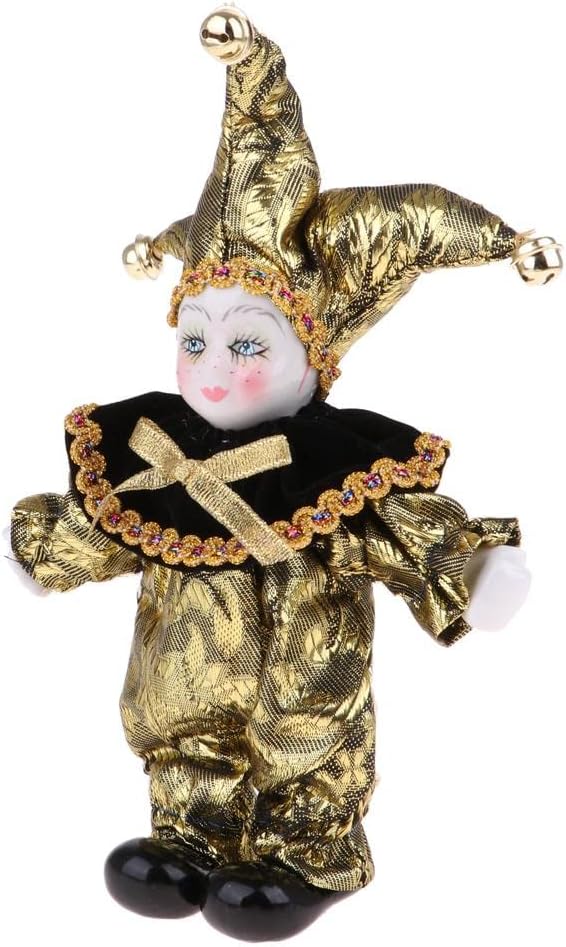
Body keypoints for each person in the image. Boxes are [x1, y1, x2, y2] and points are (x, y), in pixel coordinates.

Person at [7, 7, 560, 942]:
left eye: (248, 344)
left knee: (304, 726)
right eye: (195, 340)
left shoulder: (334, 467)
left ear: (312, 349)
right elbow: (100, 520)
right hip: (181, 672)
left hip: (302, 670)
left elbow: (402, 524)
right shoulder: (156, 443)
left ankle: (309, 847)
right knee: (178, 719)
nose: (212, 371)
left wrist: (467, 564)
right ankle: (190, 828)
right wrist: (38, 548)